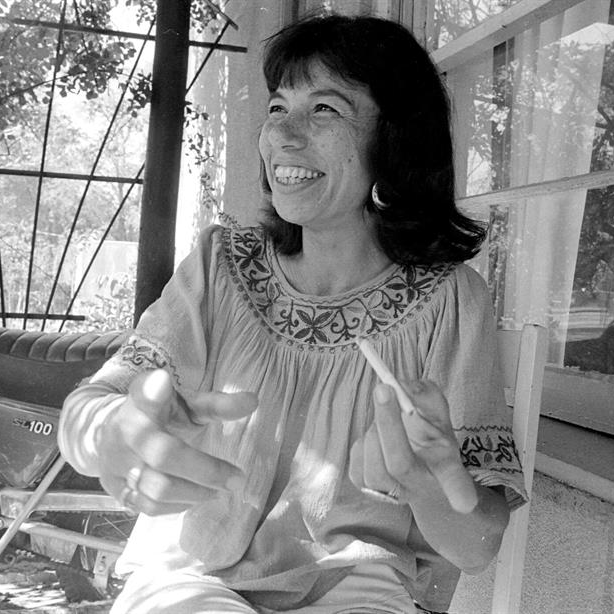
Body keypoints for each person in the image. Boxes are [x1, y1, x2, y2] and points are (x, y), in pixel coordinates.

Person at [58, 14, 527, 614]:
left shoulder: (450, 299)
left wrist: (422, 481)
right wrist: (110, 434)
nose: (282, 133)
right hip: (193, 578)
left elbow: (477, 546)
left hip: (358, 591)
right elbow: (93, 405)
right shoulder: (222, 266)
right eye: (278, 107)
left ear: (394, 142)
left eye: (324, 109)